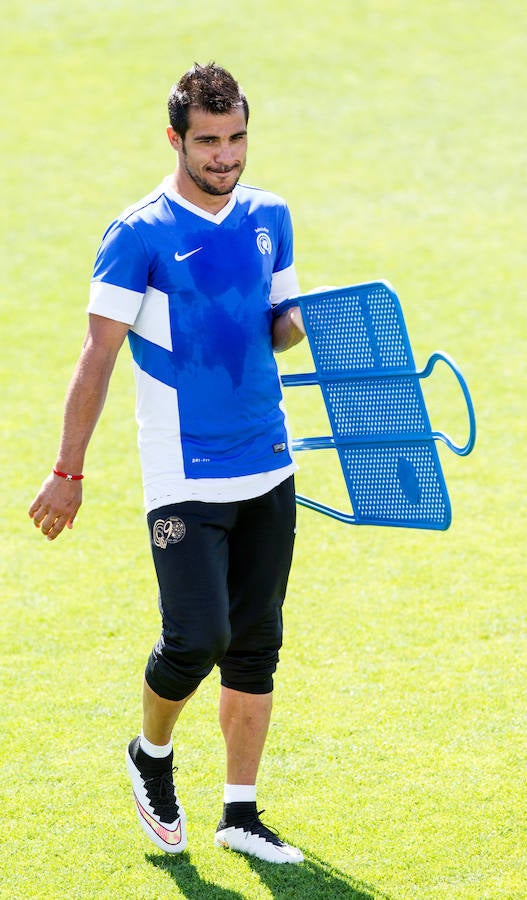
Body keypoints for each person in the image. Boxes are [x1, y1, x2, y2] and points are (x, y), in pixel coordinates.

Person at [29, 62, 306, 864]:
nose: (225, 156)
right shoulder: (138, 233)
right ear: (176, 139)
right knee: (196, 636)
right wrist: (67, 471)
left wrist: (298, 322)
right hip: (184, 472)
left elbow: (278, 322)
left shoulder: (270, 214)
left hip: (269, 461)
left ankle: (240, 814)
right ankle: (150, 755)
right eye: (208, 141)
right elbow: (97, 356)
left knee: (256, 642)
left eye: (236, 138)